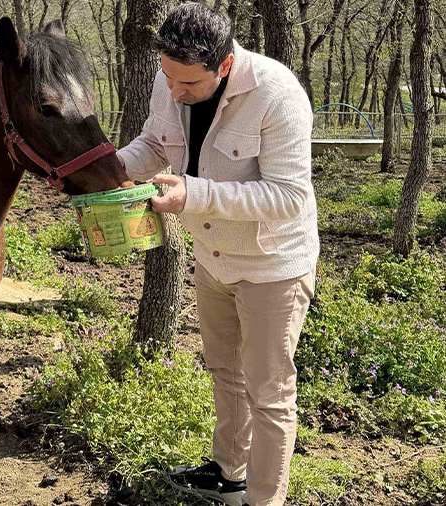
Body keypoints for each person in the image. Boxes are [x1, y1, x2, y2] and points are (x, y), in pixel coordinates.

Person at [115, 3, 319, 506]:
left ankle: (263, 500)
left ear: (224, 66)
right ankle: (229, 474)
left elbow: (288, 198)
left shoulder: (276, 93)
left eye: (188, 85)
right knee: (225, 372)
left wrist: (195, 195)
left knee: (268, 394)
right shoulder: (170, 78)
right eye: (167, 77)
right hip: (213, 257)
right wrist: (109, 167)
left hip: (272, 265)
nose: (174, 91)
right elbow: (153, 143)